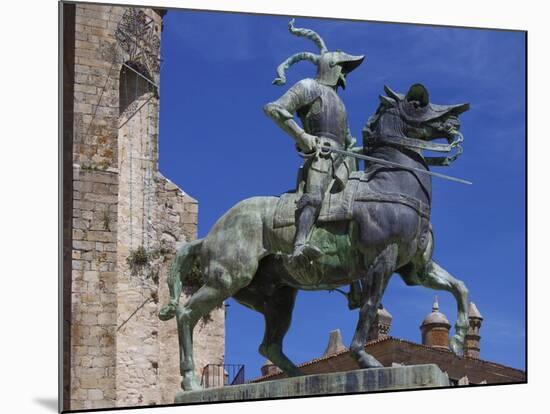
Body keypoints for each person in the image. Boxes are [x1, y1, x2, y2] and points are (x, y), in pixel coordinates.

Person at [264, 19, 364, 264]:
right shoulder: (308, 87)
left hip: (343, 161)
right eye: (343, 68)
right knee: (315, 196)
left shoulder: (340, 105)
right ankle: (300, 245)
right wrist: (302, 136)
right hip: (321, 156)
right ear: (332, 67)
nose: (344, 75)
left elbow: (350, 142)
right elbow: (274, 109)